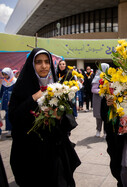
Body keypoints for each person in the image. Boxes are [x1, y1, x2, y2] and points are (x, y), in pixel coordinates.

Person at [8, 48, 81, 187]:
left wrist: (58, 116)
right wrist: (33, 98)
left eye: (47, 62)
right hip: (30, 152)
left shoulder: (57, 88)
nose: (44, 66)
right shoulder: (22, 87)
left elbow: (69, 117)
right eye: (39, 62)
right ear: (32, 65)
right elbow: (13, 117)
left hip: (55, 150)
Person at [91, 63, 109, 137]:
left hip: (106, 99)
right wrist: (102, 90)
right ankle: (98, 130)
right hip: (98, 99)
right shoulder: (97, 78)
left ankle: (105, 131)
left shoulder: (108, 77)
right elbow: (93, 89)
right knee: (99, 116)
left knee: (106, 116)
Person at [0, 67, 16, 138]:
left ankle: (13, 129)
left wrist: (12, 100)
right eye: (3, 75)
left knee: (11, 114)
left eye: (5, 74)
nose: (4, 76)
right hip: (5, 101)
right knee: (7, 115)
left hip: (12, 101)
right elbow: (1, 92)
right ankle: (9, 130)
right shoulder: (4, 82)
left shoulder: (15, 81)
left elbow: (16, 93)